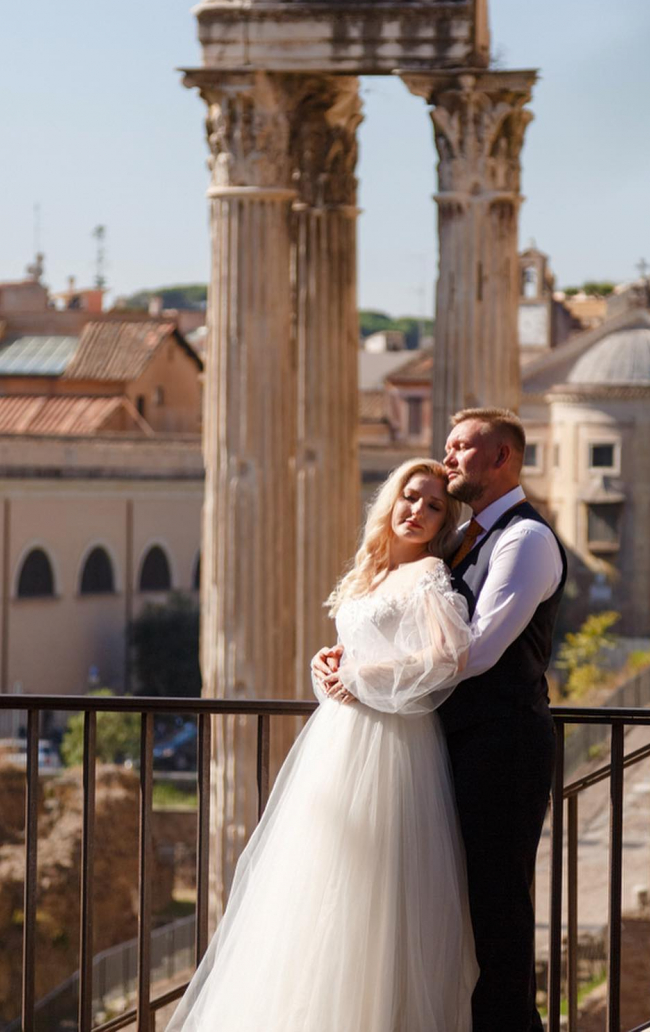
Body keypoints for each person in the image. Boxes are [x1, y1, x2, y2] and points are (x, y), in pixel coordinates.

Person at [167, 458, 479, 1032]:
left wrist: (363, 676)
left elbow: (449, 656)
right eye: (411, 497)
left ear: (443, 522)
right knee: (315, 882)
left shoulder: (429, 572)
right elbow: (360, 650)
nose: (418, 511)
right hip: (337, 742)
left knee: (375, 887)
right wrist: (329, 662)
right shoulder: (371, 572)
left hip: (393, 745)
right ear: (392, 499)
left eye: (435, 506)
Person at [318, 407, 567, 1032]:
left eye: (460, 447)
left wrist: (363, 679)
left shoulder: (525, 539)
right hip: (449, 744)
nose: (448, 455)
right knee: (449, 905)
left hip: (504, 748)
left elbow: (475, 651)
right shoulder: (463, 540)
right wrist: (340, 662)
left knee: (497, 908)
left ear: (501, 457)